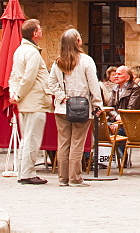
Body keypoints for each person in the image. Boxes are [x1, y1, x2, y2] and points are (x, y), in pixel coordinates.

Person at [48, 29, 102, 187]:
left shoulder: (58, 61)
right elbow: (93, 84)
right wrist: (97, 103)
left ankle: (63, 177)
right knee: (77, 142)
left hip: (62, 107)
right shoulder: (86, 61)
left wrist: (60, 95)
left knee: (63, 143)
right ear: (78, 41)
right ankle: (75, 177)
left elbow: (51, 82)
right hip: (82, 106)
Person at [8, 19, 53, 185]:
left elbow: (13, 76)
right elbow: (29, 77)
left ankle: (24, 171)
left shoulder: (19, 50)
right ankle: (27, 173)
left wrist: (14, 93)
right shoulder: (33, 52)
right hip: (34, 100)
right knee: (31, 139)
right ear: (35, 33)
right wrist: (18, 94)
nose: (41, 31)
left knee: (26, 138)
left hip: (25, 101)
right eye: (40, 29)